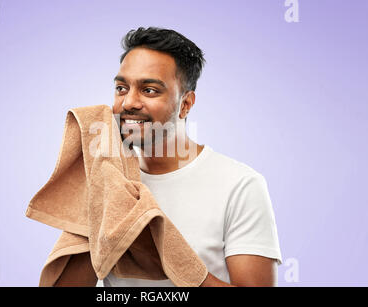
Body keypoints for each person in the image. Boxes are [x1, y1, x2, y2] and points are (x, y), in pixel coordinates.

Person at [54, 27, 282, 287]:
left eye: (149, 90)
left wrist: (175, 263)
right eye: (121, 88)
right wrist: (97, 197)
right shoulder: (108, 181)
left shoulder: (240, 185)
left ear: (185, 104)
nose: (128, 102)